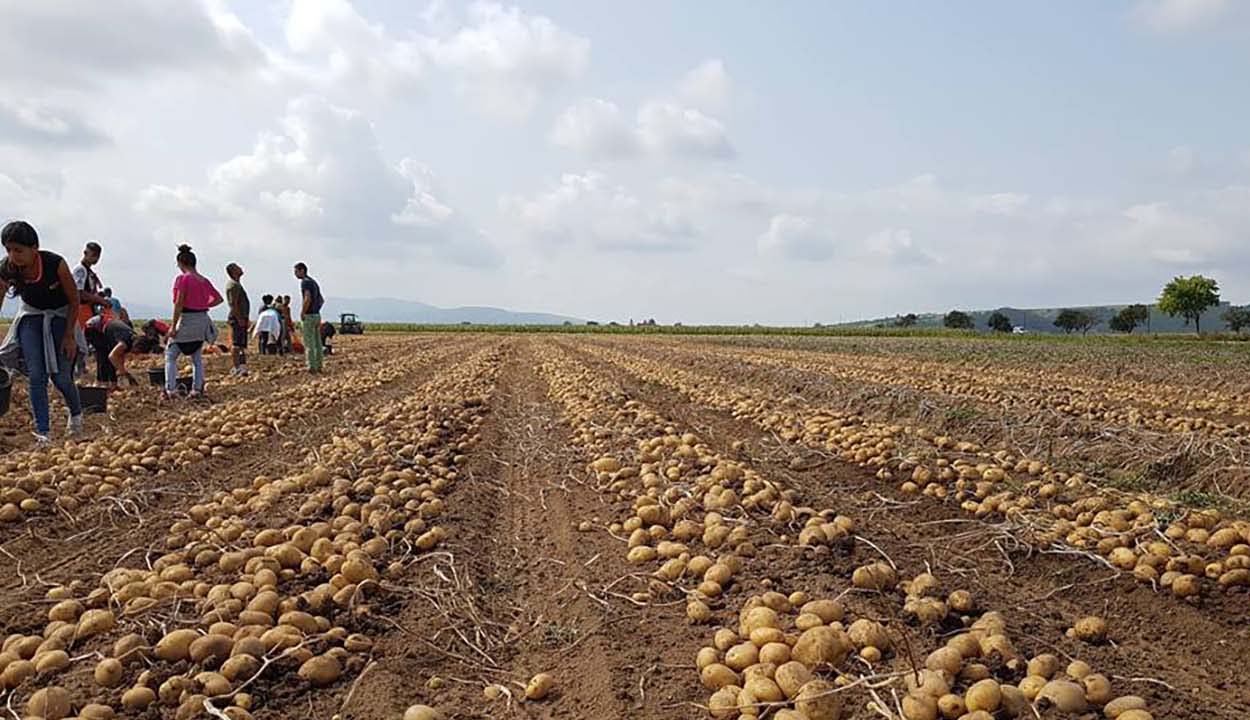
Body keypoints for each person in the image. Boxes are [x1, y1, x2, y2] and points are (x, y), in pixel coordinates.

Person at [0, 221, 85, 444]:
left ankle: (76, 414)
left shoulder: (54, 263)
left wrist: (69, 336)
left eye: (18, 250)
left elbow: (74, 300)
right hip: (31, 316)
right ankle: (43, 432)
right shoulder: (7, 268)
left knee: (61, 377)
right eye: (9, 250)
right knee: (36, 375)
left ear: (34, 248)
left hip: (61, 315)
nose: (13, 255)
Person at [164, 244, 223, 399]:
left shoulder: (182, 279)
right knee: (196, 357)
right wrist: (203, 305)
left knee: (171, 355)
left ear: (181, 263)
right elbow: (218, 299)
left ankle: (170, 390)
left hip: (187, 319)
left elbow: (178, 303)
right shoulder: (204, 280)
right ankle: (197, 389)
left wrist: (173, 326)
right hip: (202, 320)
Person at [71, 242, 106, 376]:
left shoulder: (89, 272)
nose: (95, 259)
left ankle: (81, 369)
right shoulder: (80, 270)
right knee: (79, 343)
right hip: (80, 309)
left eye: (97, 256)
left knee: (85, 341)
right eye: (93, 255)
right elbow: (79, 293)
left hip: (88, 309)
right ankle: (75, 372)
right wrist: (99, 300)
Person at [84, 314, 137, 388]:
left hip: (105, 326)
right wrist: (125, 373)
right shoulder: (125, 341)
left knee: (110, 355)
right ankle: (102, 383)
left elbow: (120, 356)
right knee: (103, 355)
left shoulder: (132, 337)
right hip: (93, 327)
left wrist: (122, 370)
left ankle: (113, 384)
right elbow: (112, 356)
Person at [294, 262, 325, 373]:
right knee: (317, 342)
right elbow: (321, 300)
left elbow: (307, 298)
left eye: (296, 271)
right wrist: (316, 310)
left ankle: (311, 366)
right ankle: (319, 365)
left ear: (302, 270)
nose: (295, 274)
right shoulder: (314, 282)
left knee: (309, 342)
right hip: (317, 315)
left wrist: (303, 311)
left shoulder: (305, 283)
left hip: (309, 316)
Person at [224, 263, 250, 376]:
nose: (241, 267)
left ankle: (242, 366)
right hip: (237, 318)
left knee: (241, 344)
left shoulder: (237, 284)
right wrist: (239, 317)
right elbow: (232, 304)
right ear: (233, 271)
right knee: (236, 343)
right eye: (237, 267)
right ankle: (237, 367)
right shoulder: (233, 285)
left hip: (241, 317)